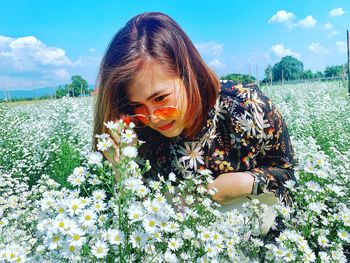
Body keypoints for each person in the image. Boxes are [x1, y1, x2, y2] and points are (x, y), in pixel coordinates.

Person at [93, 12, 297, 213]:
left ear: (188, 74)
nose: (153, 117)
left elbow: (288, 173)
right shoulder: (135, 131)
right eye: (137, 105)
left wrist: (245, 182)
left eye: (160, 98)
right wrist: (123, 171)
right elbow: (140, 215)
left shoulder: (246, 106)